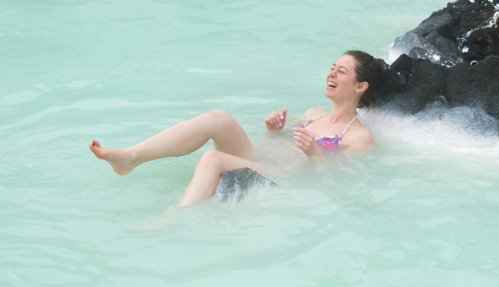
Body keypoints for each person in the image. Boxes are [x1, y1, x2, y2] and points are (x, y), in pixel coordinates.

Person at [89, 50, 384, 206]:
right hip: (260, 157)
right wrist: (275, 129)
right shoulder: (312, 113)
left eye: (341, 71)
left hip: (280, 175)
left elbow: (341, 181)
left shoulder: (359, 137)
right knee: (218, 117)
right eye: (332, 67)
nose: (331, 73)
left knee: (213, 159)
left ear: (360, 86)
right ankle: (131, 157)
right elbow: (285, 141)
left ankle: (178, 217)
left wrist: (316, 153)